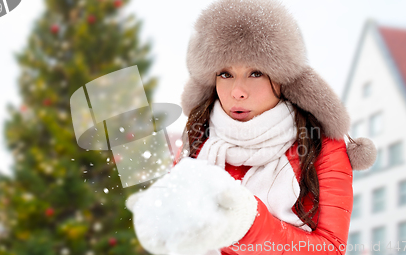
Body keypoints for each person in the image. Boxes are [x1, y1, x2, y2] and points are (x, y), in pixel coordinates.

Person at [126, 0, 377, 254]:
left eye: (255, 73)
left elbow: (331, 249)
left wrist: (246, 223)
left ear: (281, 78)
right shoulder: (200, 139)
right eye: (225, 73)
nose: (237, 92)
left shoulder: (320, 146)